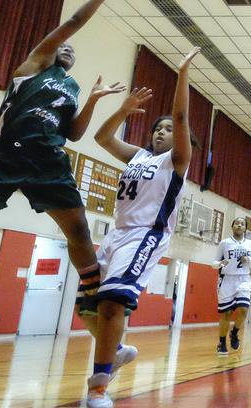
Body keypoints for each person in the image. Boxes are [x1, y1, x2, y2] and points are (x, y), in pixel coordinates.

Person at [0, 0, 131, 353]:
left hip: (48, 163)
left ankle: (91, 297)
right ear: (47, 49)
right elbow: (74, 21)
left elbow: (74, 133)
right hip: (2, 157)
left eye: (72, 50)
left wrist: (92, 100)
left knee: (79, 233)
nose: (68, 48)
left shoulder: (71, 87)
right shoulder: (31, 69)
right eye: (62, 45)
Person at [82, 47, 199, 407]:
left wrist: (181, 74)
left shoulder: (176, 160)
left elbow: (180, 116)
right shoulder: (138, 156)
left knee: (113, 303)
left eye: (168, 129)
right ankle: (115, 350)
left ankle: (98, 386)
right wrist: (121, 110)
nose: (162, 132)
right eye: (157, 128)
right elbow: (101, 139)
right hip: (116, 234)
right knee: (88, 308)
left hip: (146, 233)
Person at [211, 217, 251, 356]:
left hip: (243, 279)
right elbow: (213, 262)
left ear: (245, 228)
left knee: (244, 309)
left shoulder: (250, 243)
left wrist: (248, 260)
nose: (239, 225)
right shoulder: (224, 243)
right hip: (227, 280)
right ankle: (222, 342)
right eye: (236, 223)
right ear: (232, 226)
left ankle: (235, 333)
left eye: (242, 224)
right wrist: (220, 264)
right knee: (227, 314)